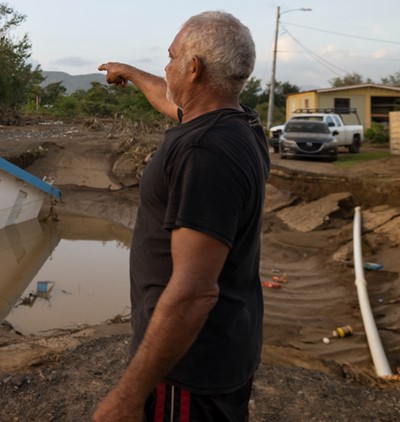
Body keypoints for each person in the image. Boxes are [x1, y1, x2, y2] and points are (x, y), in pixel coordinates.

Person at [93, 11, 270, 422]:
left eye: (171, 57)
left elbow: (194, 291)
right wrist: (131, 73)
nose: (166, 66)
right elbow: (168, 99)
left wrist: (127, 396)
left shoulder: (204, 152)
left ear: (194, 69)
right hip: (222, 347)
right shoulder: (238, 124)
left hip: (187, 371)